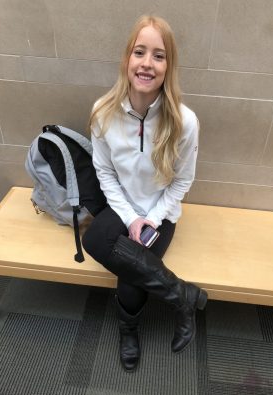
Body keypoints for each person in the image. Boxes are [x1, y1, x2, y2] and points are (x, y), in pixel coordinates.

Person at [82, 14, 207, 372]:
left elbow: (182, 182)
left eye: (159, 55)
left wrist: (150, 219)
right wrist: (130, 217)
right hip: (122, 207)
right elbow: (104, 172)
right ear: (127, 59)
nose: (147, 63)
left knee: (131, 268)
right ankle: (182, 296)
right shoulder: (102, 112)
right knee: (95, 240)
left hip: (160, 212)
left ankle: (129, 331)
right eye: (140, 52)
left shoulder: (185, 121)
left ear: (169, 67)